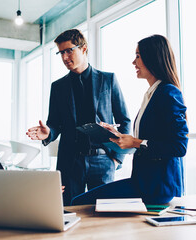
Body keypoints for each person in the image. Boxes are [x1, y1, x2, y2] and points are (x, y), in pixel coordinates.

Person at [71, 34, 189, 205]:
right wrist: (117, 135)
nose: (134, 62)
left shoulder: (168, 93)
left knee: (80, 203)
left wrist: (135, 142)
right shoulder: (152, 94)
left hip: (157, 187)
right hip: (143, 182)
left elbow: (179, 147)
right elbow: (150, 140)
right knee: (80, 202)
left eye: (138, 56)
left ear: (153, 58)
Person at [26, 29, 131, 205]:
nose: (65, 57)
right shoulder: (58, 87)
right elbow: (55, 124)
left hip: (103, 159)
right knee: (68, 210)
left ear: (83, 49)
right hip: (70, 161)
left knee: (103, 215)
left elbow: (125, 120)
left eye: (69, 50)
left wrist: (116, 158)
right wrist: (48, 133)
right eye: (61, 53)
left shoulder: (108, 80)